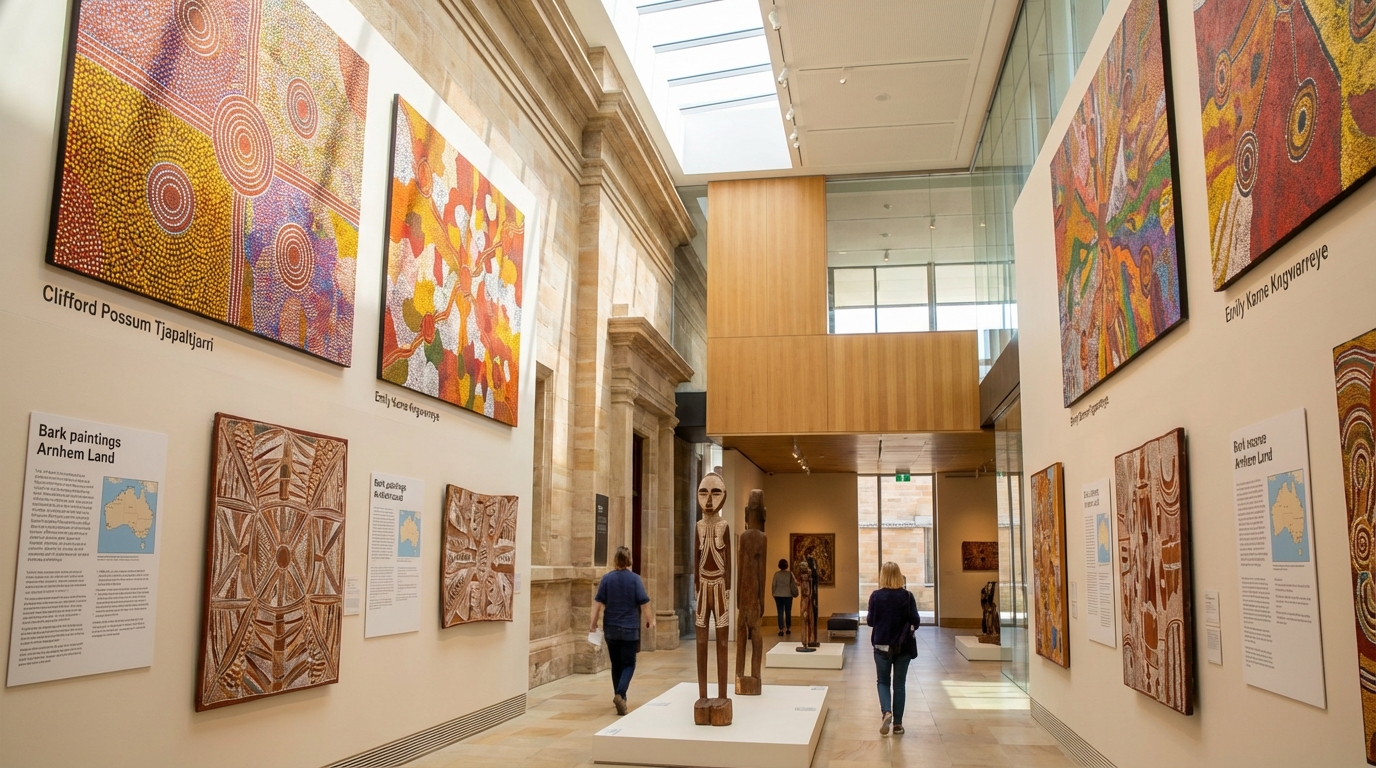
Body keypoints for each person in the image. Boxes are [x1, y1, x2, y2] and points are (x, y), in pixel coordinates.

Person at [590, 546, 654, 715]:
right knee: (629, 663)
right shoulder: (635, 579)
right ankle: (620, 693)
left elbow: (597, 604)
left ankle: (620, 696)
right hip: (629, 627)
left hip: (611, 628)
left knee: (616, 664)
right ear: (628, 560)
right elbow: (644, 602)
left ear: (615, 560)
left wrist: (593, 623)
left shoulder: (606, 579)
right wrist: (650, 620)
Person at [867, 561, 921, 736]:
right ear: (899, 575)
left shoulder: (876, 596)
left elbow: (870, 621)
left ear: (882, 575)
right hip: (903, 646)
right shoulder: (907, 596)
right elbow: (916, 621)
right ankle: (898, 724)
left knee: (882, 681)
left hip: (882, 644)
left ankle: (886, 712)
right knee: (899, 684)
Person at [771, 558, 798, 636]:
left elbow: (774, 584)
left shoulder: (776, 574)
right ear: (787, 566)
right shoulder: (789, 574)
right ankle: (788, 628)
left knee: (780, 612)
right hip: (788, 595)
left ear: (779, 566)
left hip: (778, 595)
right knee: (788, 611)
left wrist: (773, 593)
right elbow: (794, 583)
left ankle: (781, 629)